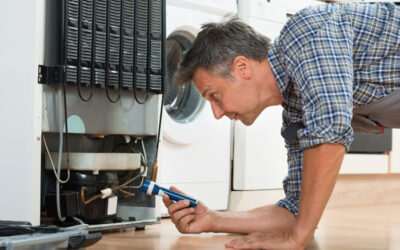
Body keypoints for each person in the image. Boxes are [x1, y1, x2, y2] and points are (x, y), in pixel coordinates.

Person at [162, 2, 400, 249]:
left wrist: (297, 238)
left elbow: (330, 128)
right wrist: (214, 219)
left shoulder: (307, 31)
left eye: (215, 96)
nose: (217, 113)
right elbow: (295, 211)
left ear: (242, 68)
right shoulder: (297, 110)